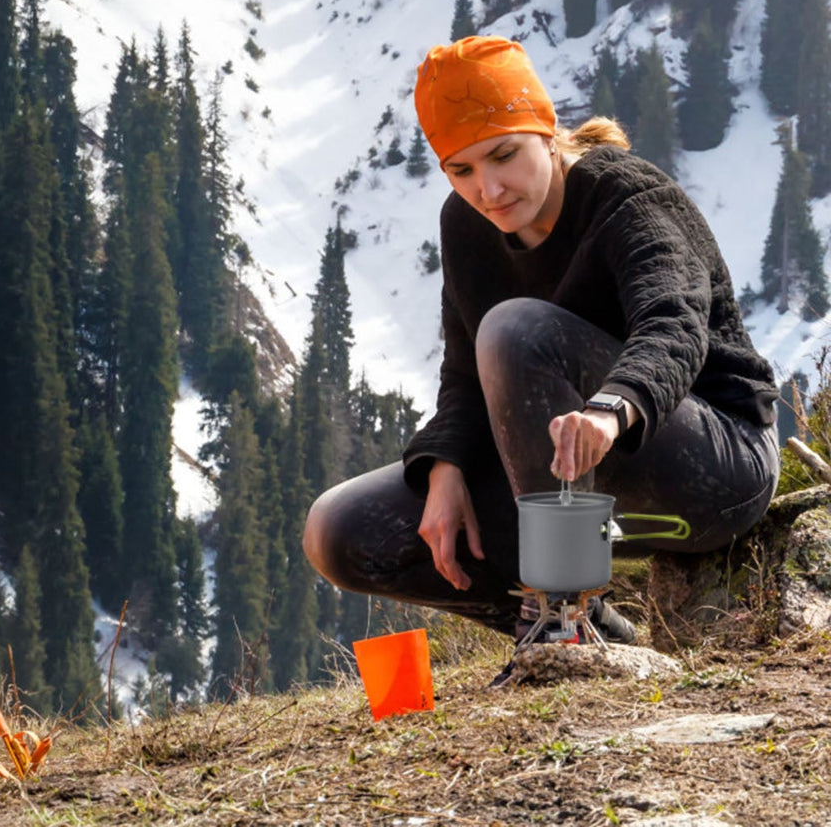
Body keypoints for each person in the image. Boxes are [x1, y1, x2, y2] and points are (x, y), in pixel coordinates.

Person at [303, 35, 780, 649]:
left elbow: (673, 323)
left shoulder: (626, 196)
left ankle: (562, 614)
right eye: (461, 170)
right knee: (341, 531)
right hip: (568, 483)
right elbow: (465, 374)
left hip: (714, 465)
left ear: (546, 130)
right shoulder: (466, 224)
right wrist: (445, 466)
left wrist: (609, 410)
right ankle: (581, 634)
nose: (489, 190)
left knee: (516, 330)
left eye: (504, 155)